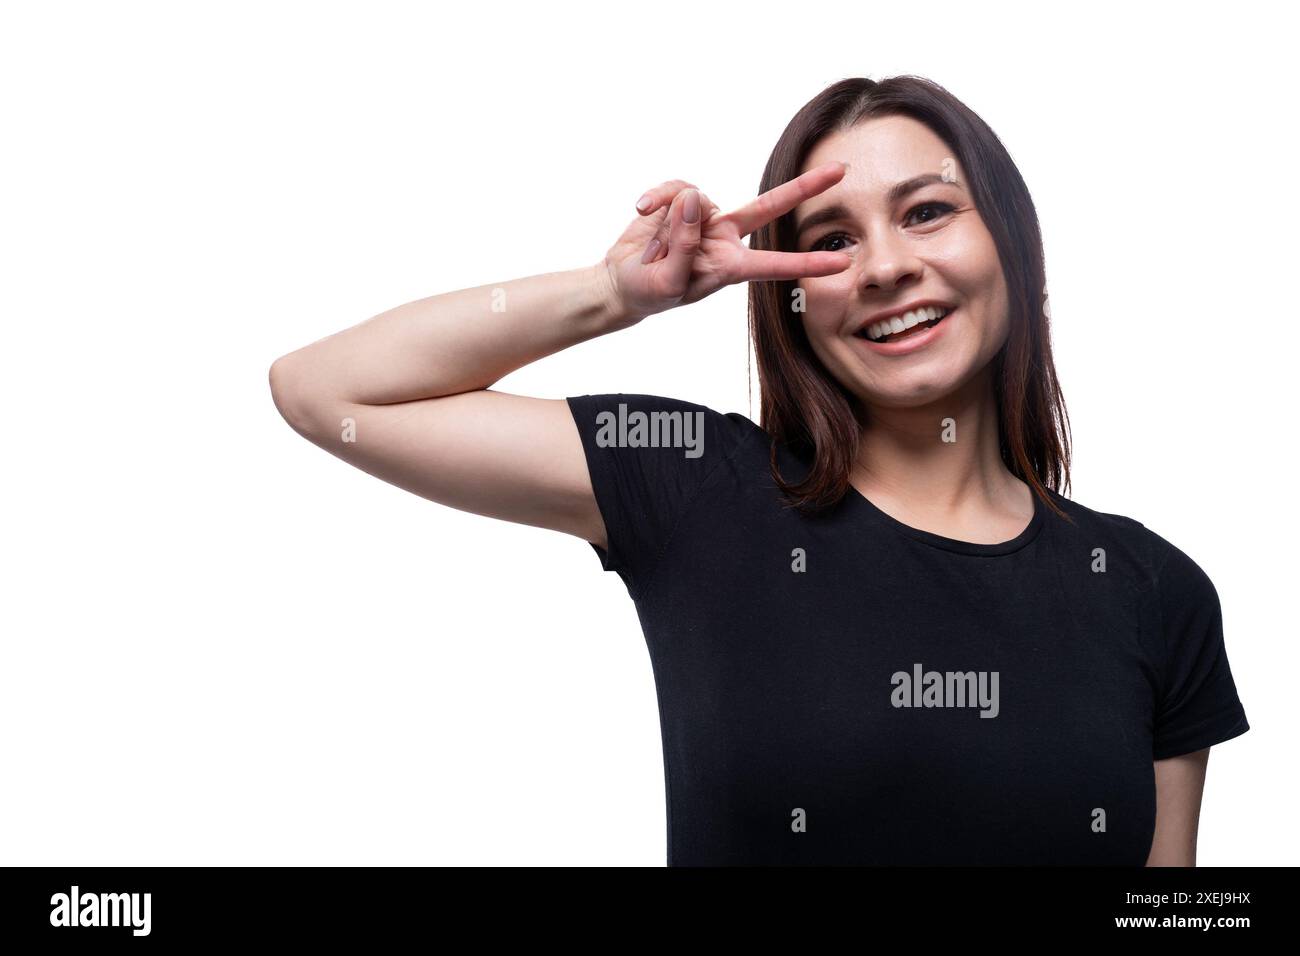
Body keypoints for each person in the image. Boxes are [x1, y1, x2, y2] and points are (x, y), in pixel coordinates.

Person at [268, 75, 1250, 866]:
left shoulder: (1151, 589)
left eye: (926, 211)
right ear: (788, 300)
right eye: (830, 241)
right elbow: (328, 391)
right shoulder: (700, 485)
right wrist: (616, 293)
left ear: (1010, 241)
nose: (881, 267)